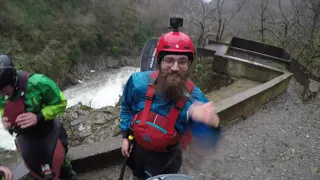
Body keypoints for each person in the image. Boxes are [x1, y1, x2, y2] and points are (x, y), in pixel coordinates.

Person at [120, 29, 221, 180]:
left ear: (188, 65)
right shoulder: (137, 82)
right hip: (138, 155)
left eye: (182, 62)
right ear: (160, 62)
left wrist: (212, 125)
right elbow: (127, 108)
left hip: (168, 161)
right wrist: (126, 136)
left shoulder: (195, 100)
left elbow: (206, 144)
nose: (175, 67)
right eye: (169, 60)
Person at [0, 54, 77, 180]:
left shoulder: (39, 83)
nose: (2, 95)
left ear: (11, 80)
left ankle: (68, 173)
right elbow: (3, 110)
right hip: (26, 138)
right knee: (37, 172)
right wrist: (7, 123)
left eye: (4, 91)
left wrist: (38, 116)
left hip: (48, 132)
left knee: (60, 165)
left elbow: (61, 103)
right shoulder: (1, 95)